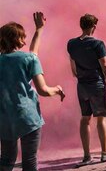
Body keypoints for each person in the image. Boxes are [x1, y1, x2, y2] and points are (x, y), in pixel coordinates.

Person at [0, 12, 65, 171]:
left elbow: (32, 53)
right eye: (23, 37)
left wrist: (39, 30)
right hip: (28, 117)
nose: (25, 41)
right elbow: (43, 91)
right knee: (29, 160)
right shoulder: (29, 60)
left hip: (4, 118)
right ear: (19, 40)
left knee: (7, 160)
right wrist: (57, 90)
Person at [67, 14, 106, 166]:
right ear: (93, 27)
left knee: (85, 119)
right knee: (100, 118)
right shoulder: (98, 44)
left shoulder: (71, 44)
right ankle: (104, 153)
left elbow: (73, 69)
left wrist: (81, 76)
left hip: (82, 86)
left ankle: (87, 156)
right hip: (97, 85)